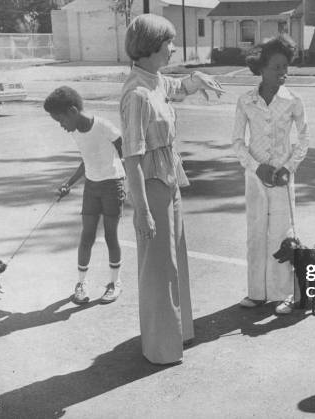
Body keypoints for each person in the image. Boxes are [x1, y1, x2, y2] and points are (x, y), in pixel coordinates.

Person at [120, 14, 224, 365]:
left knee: (173, 259)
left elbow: (179, 87)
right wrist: (142, 210)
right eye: (170, 42)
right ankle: (161, 349)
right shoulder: (137, 93)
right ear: (150, 47)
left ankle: (178, 333)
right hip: (151, 185)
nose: (175, 48)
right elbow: (131, 157)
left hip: (169, 178)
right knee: (158, 269)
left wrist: (199, 78)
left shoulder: (156, 81)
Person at [231, 35, 309, 315]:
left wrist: (288, 168)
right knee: (255, 233)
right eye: (276, 67)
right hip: (255, 178)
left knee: (282, 235)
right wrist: (255, 167)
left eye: (285, 67)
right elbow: (237, 142)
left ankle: (283, 293)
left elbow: (304, 139)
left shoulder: (293, 101)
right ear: (261, 68)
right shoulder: (246, 101)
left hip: (282, 179)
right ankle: (256, 293)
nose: (282, 73)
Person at [44, 86, 126, 305]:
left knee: (111, 236)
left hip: (112, 185)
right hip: (92, 186)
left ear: (72, 111)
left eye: (60, 120)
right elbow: (87, 160)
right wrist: (69, 183)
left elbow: (125, 152)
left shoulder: (103, 126)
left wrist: (128, 179)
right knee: (86, 236)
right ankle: (81, 283)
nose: (61, 126)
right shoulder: (74, 131)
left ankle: (114, 283)